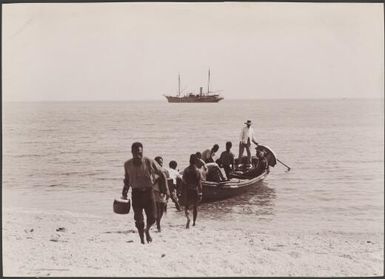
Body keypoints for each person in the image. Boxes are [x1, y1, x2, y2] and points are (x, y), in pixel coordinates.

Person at [121, 142, 168, 244]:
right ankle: (142, 239)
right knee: (138, 219)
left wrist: (166, 189)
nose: (138, 155)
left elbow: (162, 174)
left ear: (142, 152)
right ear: (132, 152)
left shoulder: (149, 161)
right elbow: (127, 180)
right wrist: (124, 192)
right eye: (136, 152)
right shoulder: (127, 164)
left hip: (148, 192)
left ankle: (147, 230)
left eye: (140, 152)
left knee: (153, 218)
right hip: (136, 194)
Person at [182, 154, 203, 229]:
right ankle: (194, 222)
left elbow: (183, 180)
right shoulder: (198, 170)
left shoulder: (186, 170)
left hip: (188, 189)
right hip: (195, 190)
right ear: (196, 161)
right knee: (195, 207)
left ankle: (188, 218)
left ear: (189, 161)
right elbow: (199, 182)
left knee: (186, 206)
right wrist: (200, 192)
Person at [153, 156, 171, 232]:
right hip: (155, 191)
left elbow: (168, 181)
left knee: (162, 208)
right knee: (158, 208)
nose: (161, 163)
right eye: (159, 162)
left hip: (163, 192)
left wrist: (168, 192)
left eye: (161, 162)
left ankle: (158, 222)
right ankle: (158, 224)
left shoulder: (165, 171)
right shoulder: (152, 171)